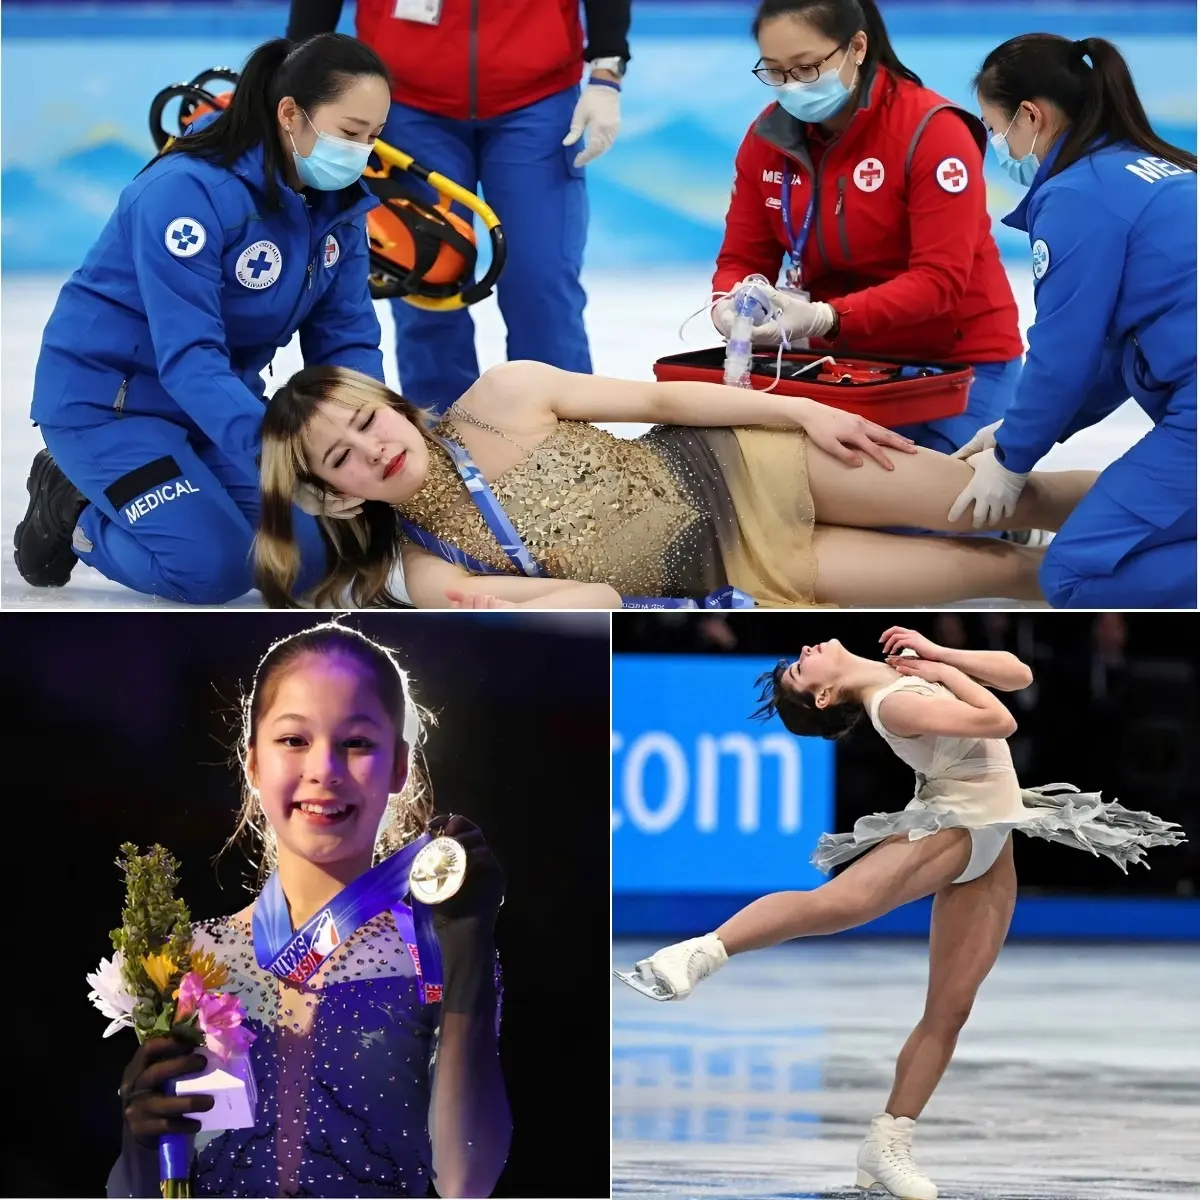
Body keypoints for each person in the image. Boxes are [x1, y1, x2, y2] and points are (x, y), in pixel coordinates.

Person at [617, 626, 1184, 1200]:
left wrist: (938, 653)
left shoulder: (901, 674)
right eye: (798, 669)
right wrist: (943, 674)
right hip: (952, 824)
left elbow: (1020, 674)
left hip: (994, 841)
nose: (802, 652)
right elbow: (1001, 721)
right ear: (822, 697)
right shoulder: (893, 703)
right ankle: (696, 953)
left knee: (950, 1009)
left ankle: (886, 1147)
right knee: (838, 905)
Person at [108, 622, 510, 1198]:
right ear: (251, 763)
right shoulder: (191, 960)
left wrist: (470, 946)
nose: (325, 769)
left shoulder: (435, 954)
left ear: (399, 767)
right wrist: (140, 1146)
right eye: (294, 740)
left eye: (357, 742)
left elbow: (467, 1181)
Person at [13, 36, 392, 606]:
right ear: (290, 113)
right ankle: (76, 512)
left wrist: (369, 435)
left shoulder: (339, 209)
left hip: (214, 409)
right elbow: (189, 356)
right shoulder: (185, 192)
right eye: (349, 131)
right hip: (108, 410)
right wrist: (282, 456)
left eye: (373, 137)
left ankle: (180, 482)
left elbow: (347, 339)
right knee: (213, 567)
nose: (360, 152)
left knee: (311, 556)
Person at [253, 359, 1100, 609]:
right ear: (336, 496)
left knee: (1012, 499)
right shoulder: (431, 567)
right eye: (342, 459)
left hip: (747, 462)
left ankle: (1176, 501)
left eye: (368, 422)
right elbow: (596, 610)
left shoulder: (502, 395)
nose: (372, 451)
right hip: (748, 574)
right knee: (1003, 576)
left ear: (392, 404)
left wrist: (802, 414)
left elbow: (662, 397)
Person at [286, 0, 632, 414]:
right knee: (423, 282)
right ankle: (447, 443)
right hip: (405, 103)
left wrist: (606, 69)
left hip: (537, 100)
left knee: (540, 283)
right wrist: (297, 76)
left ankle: (567, 443)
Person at [949, 34, 1197, 608]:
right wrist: (1020, 431)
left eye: (995, 128)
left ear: (1030, 116)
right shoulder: (1157, 170)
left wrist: (1012, 461)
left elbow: (1064, 350)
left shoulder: (1076, 196)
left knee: (1071, 577)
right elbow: (1112, 357)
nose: (999, 145)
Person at [712, 0, 1024, 455]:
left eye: (805, 67)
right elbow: (743, 258)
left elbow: (940, 281)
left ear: (857, 47)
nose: (790, 86)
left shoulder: (931, 131)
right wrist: (728, 302)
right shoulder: (768, 138)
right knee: (799, 497)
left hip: (957, 366)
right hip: (841, 364)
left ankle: (1012, 529)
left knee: (912, 517)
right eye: (775, 72)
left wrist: (828, 316)